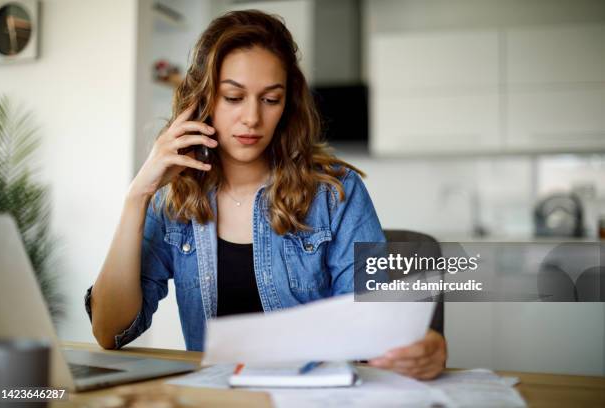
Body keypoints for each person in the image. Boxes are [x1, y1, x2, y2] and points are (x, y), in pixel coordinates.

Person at [86, 9, 446, 380]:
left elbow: (374, 326)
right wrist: (138, 194)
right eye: (233, 97)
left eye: (270, 100)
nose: (252, 118)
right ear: (203, 101)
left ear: (287, 105)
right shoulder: (173, 200)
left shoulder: (334, 194)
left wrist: (425, 345)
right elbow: (109, 332)